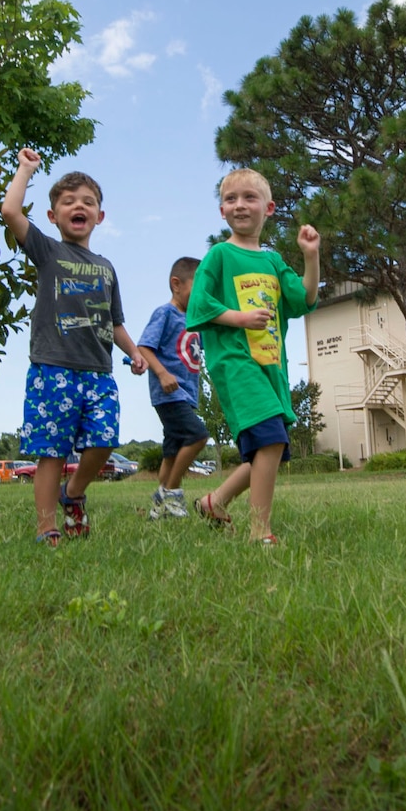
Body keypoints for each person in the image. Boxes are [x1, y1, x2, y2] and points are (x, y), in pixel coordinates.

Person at [0, 148, 146, 545]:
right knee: (51, 452)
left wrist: (133, 352)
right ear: (53, 216)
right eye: (68, 201)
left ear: (100, 215)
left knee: (104, 441)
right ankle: (46, 526)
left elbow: (115, 321)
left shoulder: (106, 266)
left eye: (88, 202)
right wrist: (25, 171)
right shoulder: (48, 251)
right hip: (53, 368)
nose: (78, 206)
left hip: (99, 371)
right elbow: (11, 212)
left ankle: (75, 492)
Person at [187, 170, 321, 545]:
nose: (239, 205)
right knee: (271, 439)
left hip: (270, 364)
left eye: (249, 197)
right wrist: (240, 318)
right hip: (235, 361)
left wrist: (311, 257)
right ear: (221, 210)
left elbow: (304, 299)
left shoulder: (274, 262)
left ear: (269, 208)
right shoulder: (219, 255)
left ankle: (214, 502)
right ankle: (260, 532)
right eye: (231, 199)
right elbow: (198, 306)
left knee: (269, 449)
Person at [136, 256, 207, 519]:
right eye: (197, 288)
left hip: (187, 394)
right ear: (176, 285)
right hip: (169, 394)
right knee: (198, 436)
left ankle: (158, 505)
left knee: (172, 451)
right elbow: (144, 346)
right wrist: (162, 373)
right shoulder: (165, 313)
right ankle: (173, 491)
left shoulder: (195, 320)